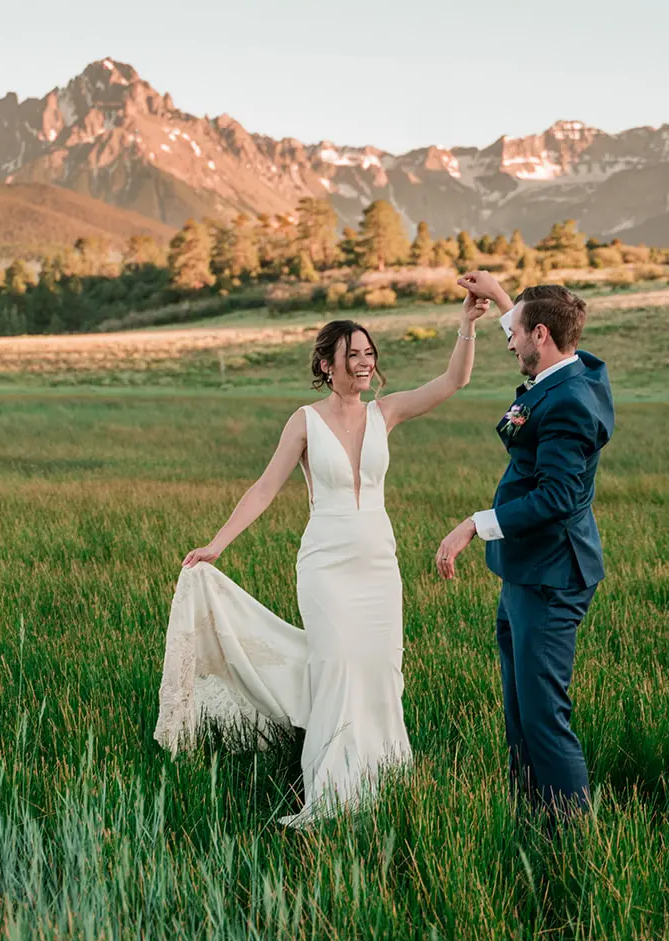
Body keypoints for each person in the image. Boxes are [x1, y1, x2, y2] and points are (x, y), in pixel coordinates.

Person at [155, 281, 497, 826]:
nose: (363, 364)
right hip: (326, 566)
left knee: (381, 670)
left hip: (379, 565)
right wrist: (218, 544)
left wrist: (468, 323)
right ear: (326, 364)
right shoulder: (305, 422)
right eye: (351, 356)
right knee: (336, 666)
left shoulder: (387, 412)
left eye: (368, 355)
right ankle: (333, 793)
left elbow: (455, 380)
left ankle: (382, 779)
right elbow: (265, 488)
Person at [436, 275, 614, 816]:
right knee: (520, 714)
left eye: (513, 332)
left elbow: (558, 495)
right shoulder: (574, 370)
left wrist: (474, 523)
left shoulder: (570, 403)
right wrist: (506, 298)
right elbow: (544, 338)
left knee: (542, 717)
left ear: (539, 334)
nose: (507, 340)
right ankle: (529, 818)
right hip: (526, 574)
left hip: (550, 576)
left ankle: (572, 840)